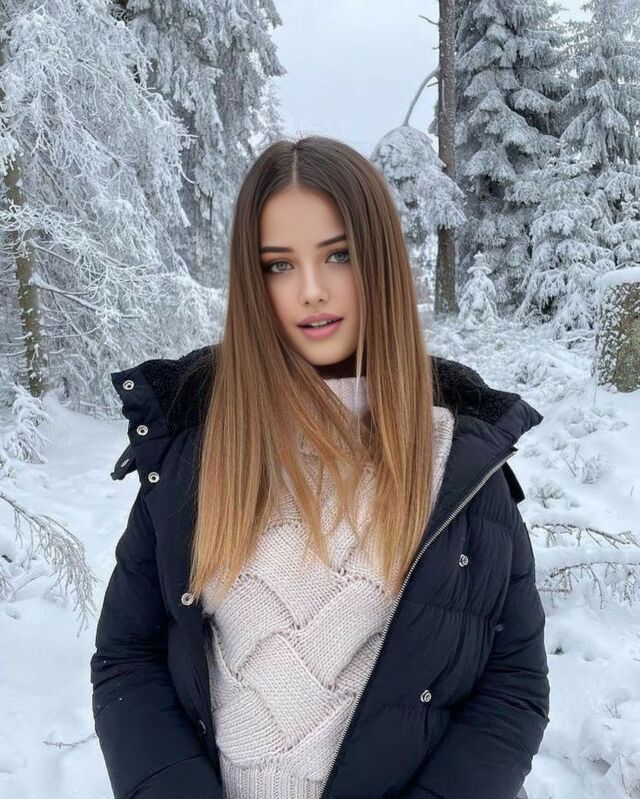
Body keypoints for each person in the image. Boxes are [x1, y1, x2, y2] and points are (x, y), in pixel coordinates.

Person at [90, 135, 549, 799]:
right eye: (279, 265)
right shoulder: (194, 451)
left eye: (338, 255)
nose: (310, 290)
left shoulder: (461, 463)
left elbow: (513, 684)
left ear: (380, 262)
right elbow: (128, 658)